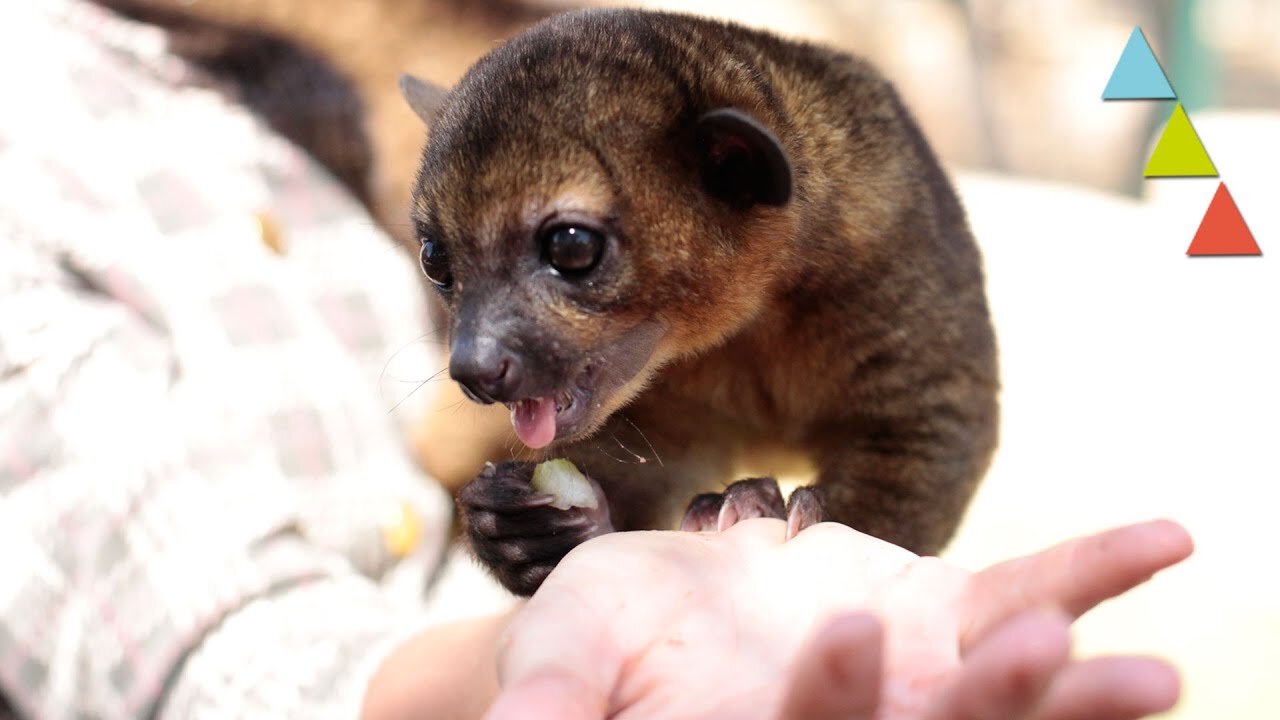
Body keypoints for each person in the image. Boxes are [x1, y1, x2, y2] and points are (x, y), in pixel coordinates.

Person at [0, 1, 1192, 718]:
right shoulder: (42, 125)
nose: (469, 353)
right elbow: (203, 657)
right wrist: (532, 624)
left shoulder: (598, 87)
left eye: (569, 249)